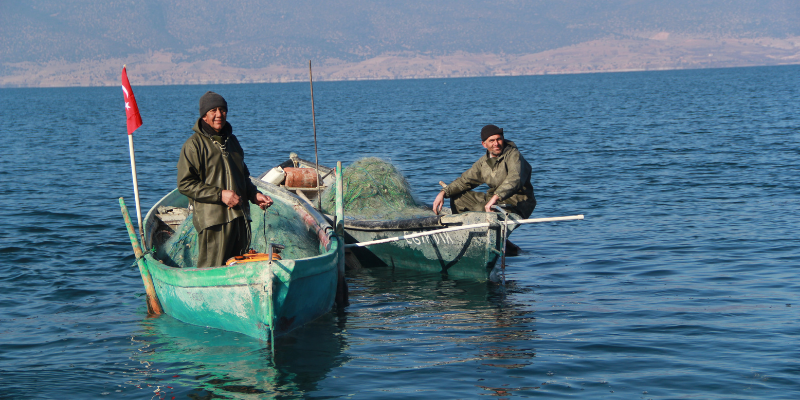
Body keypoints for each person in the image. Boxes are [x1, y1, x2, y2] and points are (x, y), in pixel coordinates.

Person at [177, 91, 273, 268]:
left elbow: (242, 176)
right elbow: (185, 184)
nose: (219, 115)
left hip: (240, 219)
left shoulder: (232, 141)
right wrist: (220, 195)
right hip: (214, 222)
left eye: (222, 110)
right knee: (212, 271)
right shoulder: (193, 145)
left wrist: (254, 195)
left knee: (239, 267)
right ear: (204, 116)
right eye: (213, 110)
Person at [433, 124, 536, 219]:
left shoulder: (514, 155)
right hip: (494, 200)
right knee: (457, 198)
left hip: (518, 203)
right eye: (492, 141)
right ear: (484, 144)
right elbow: (464, 181)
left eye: (499, 139)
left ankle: (488, 234)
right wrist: (443, 193)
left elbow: (515, 179)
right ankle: (463, 230)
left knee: (480, 208)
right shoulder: (483, 162)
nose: (496, 144)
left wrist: (496, 197)